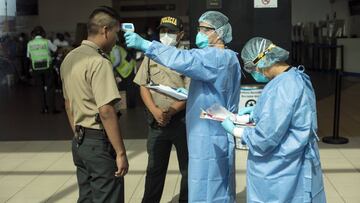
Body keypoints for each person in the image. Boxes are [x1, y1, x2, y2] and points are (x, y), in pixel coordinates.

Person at [125, 11, 241, 202]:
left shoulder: (215, 57)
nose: (200, 32)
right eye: (199, 28)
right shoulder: (225, 57)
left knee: (207, 186)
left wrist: (146, 44)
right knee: (208, 182)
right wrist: (186, 93)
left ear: (219, 33)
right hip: (209, 131)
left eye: (205, 29)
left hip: (209, 135)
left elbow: (184, 59)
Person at [221, 37, 327, 203]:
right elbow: (287, 115)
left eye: (252, 67)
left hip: (281, 167)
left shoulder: (282, 87)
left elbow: (265, 139)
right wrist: (255, 113)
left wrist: (235, 130)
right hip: (295, 160)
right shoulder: (295, 76)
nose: (254, 72)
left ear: (262, 61)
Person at [60, 6, 129, 203]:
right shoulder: (99, 62)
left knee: (87, 197)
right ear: (105, 30)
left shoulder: (69, 58)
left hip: (80, 141)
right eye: (116, 33)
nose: (117, 39)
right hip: (98, 143)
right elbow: (106, 111)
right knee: (109, 196)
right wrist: (120, 152)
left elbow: (68, 104)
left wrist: (78, 135)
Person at [133, 16, 189, 203]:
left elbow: (191, 92)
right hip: (156, 122)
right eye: (163, 31)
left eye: (171, 32)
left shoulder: (187, 58)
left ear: (180, 34)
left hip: (180, 121)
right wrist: (155, 111)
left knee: (187, 169)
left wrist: (171, 111)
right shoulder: (151, 56)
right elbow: (143, 85)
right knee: (154, 169)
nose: (166, 35)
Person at [27, 26, 59, 113]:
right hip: (47, 67)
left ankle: (43, 108)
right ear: (43, 33)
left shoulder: (30, 43)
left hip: (36, 67)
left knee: (40, 88)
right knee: (50, 87)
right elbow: (55, 49)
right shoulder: (46, 42)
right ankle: (52, 109)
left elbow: (29, 56)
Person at [110, 38, 137, 108]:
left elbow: (118, 60)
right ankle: (127, 104)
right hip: (124, 71)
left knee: (130, 87)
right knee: (126, 87)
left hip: (129, 68)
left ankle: (130, 105)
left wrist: (111, 67)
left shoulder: (115, 48)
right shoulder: (112, 49)